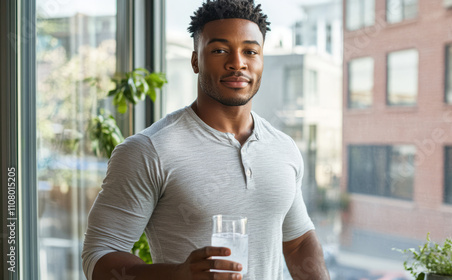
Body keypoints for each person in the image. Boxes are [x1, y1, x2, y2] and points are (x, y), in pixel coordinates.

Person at [82, 0, 330, 279]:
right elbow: (99, 257)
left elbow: (297, 243)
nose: (237, 63)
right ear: (195, 60)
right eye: (220, 50)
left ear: (261, 60)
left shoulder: (284, 148)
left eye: (250, 51)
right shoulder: (148, 150)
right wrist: (178, 274)